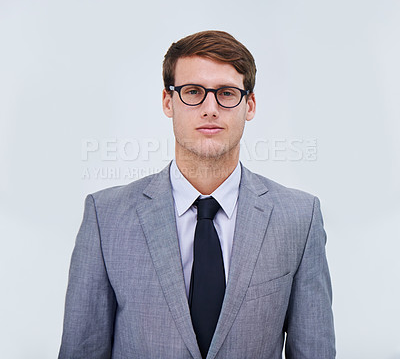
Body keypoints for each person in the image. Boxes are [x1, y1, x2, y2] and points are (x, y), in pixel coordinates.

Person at [58, 30, 336, 359]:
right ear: (168, 101)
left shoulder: (299, 218)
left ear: (250, 104)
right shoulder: (105, 216)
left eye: (227, 93)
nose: (210, 108)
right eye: (193, 92)